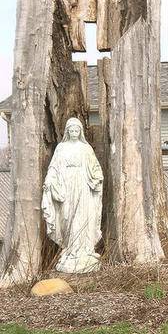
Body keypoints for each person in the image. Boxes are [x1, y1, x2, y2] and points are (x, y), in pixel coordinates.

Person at [42, 117, 104, 273]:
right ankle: (70, 249)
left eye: (77, 130)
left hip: (83, 185)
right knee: (67, 215)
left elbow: (95, 167)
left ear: (81, 131)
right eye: (72, 130)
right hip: (66, 185)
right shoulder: (61, 148)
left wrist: (97, 178)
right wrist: (50, 179)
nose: (75, 133)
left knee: (83, 215)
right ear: (67, 132)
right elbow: (54, 167)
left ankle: (85, 250)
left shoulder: (86, 148)